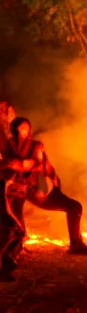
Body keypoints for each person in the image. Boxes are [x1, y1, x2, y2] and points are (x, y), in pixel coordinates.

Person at [0, 117, 45, 281]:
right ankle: (5, 259)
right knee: (10, 226)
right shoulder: (9, 143)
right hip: (6, 186)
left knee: (17, 227)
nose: (20, 133)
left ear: (29, 130)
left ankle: (9, 256)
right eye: (16, 129)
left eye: (23, 129)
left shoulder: (36, 145)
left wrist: (11, 164)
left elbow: (31, 163)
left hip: (24, 187)